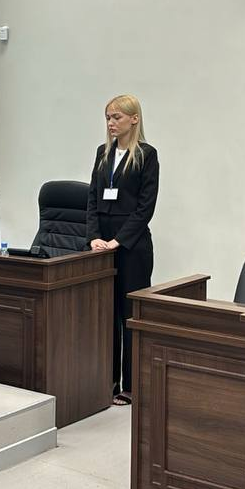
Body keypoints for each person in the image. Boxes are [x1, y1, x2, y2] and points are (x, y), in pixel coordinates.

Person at [85, 94, 159, 406]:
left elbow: (145, 208)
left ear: (134, 119)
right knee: (106, 314)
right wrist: (94, 237)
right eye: (108, 118)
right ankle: (108, 380)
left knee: (129, 316)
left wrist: (119, 240)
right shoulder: (103, 153)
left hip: (132, 246)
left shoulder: (146, 155)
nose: (111, 123)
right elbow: (92, 199)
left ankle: (131, 384)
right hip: (102, 245)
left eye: (117, 117)